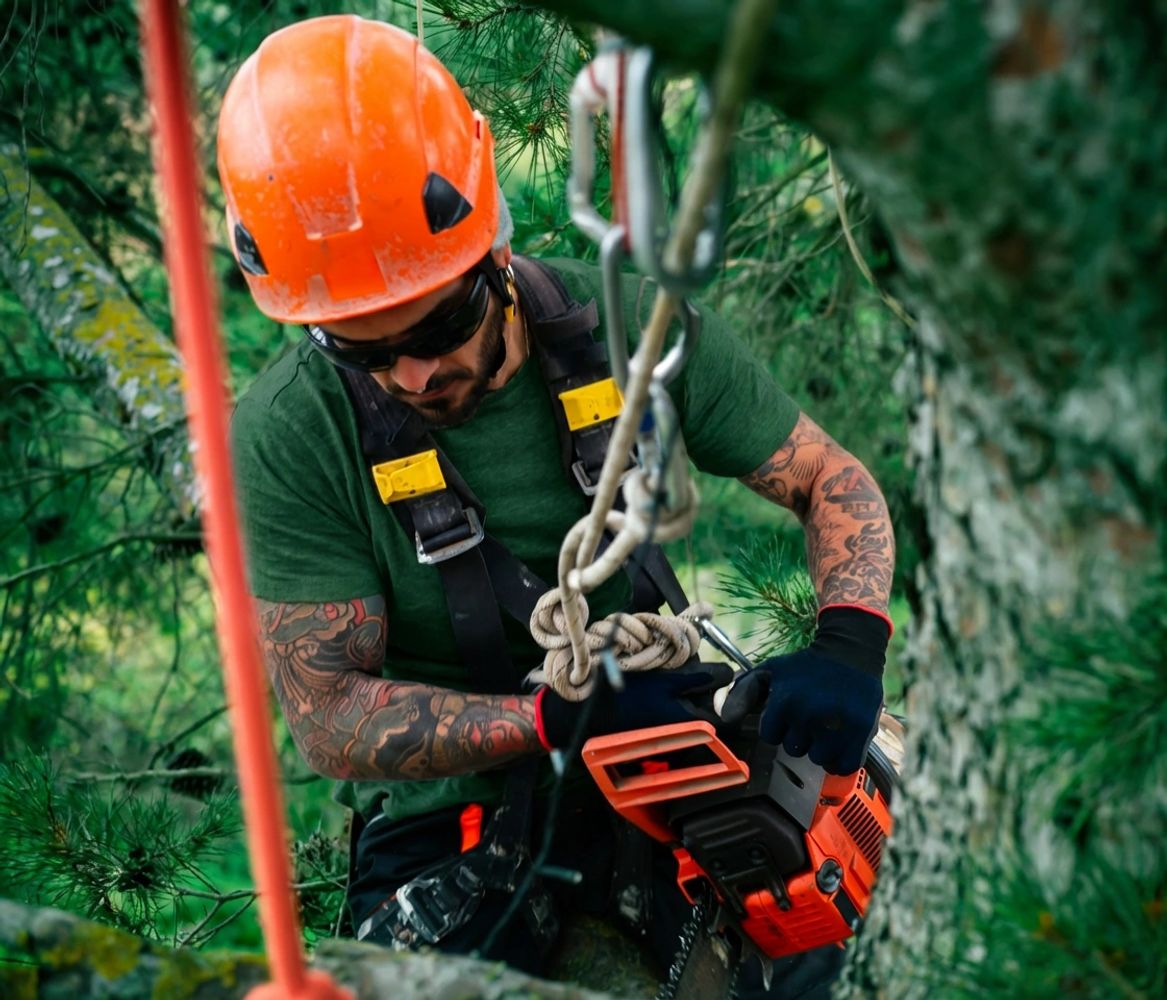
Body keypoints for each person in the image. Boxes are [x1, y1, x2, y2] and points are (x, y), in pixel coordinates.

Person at [219, 14, 896, 998]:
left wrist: (849, 639)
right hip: (455, 817)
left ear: (487, 247)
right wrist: (550, 713)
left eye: (441, 322)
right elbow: (329, 719)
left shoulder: (626, 328)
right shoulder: (293, 431)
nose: (414, 372)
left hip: (661, 760)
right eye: (361, 350)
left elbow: (830, 479)